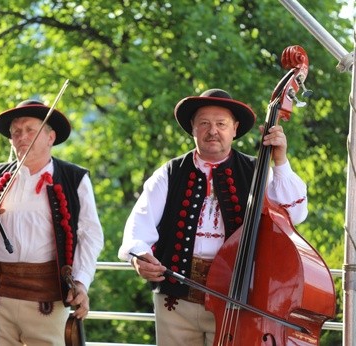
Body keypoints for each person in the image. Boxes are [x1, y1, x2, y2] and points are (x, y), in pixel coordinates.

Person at [118, 89, 308, 346]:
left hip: (237, 300)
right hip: (176, 301)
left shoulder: (257, 170)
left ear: (235, 129)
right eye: (204, 123)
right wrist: (138, 255)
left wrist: (280, 160)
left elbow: (294, 214)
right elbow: (138, 225)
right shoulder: (170, 172)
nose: (212, 131)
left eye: (221, 124)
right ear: (193, 129)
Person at [0, 100, 104, 345]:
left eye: (30, 130)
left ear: (50, 137)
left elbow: (90, 234)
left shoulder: (73, 177)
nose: (22, 137)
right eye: (16, 132)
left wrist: (80, 281)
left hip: (48, 298)